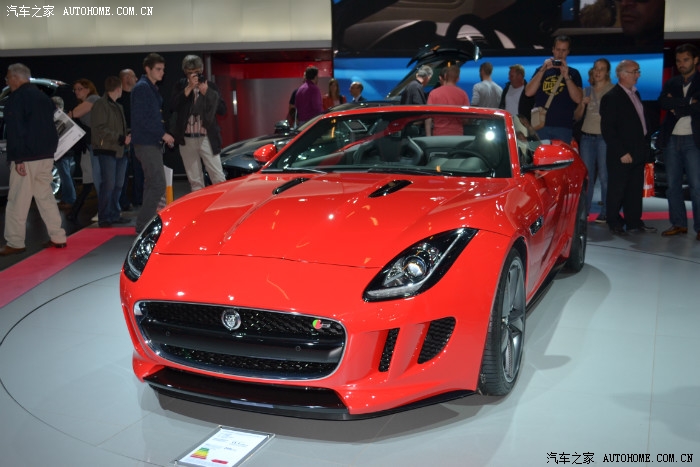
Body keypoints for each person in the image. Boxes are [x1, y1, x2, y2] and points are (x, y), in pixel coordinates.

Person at [1, 63, 67, 256]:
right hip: (46, 155)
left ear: (15, 78)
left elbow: (16, 131)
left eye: (8, 78)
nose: (7, 81)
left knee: (17, 200)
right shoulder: (44, 98)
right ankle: (58, 236)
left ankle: (15, 242)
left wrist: (18, 159)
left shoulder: (16, 99)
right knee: (45, 197)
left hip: (26, 156)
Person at [600, 60, 657, 235]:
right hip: (622, 153)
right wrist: (621, 152)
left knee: (634, 189)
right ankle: (614, 221)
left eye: (638, 71)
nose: (638, 75)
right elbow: (608, 129)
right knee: (617, 189)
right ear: (622, 75)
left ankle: (634, 222)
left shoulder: (635, 93)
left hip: (638, 150)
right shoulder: (611, 97)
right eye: (634, 72)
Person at [657, 43, 700, 240]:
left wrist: (676, 106)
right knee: (672, 185)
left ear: (696, 60)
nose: (681, 64)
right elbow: (663, 102)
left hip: (693, 139)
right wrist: (689, 102)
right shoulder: (672, 82)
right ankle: (679, 224)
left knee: (696, 186)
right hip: (672, 138)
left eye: (686, 60)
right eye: (678, 60)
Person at [131, 52, 175, 234]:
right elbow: (143, 119)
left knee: (152, 184)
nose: (162, 72)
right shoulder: (143, 88)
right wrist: (163, 134)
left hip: (149, 142)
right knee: (157, 184)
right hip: (146, 143)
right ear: (147, 69)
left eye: (163, 69)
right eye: (158, 69)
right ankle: (143, 225)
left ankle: (144, 224)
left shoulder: (147, 87)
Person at [170, 55, 227, 193]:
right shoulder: (181, 86)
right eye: (190, 73)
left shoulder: (210, 86)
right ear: (185, 73)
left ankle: (222, 204)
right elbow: (173, 106)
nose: (194, 76)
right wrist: (188, 88)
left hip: (207, 138)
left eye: (196, 72)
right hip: (187, 139)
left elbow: (222, 109)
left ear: (201, 71)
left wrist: (207, 93)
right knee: (195, 181)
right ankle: (199, 205)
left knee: (218, 178)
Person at [573, 58, 614, 223]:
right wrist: (582, 104)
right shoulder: (587, 90)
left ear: (607, 72)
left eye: (602, 69)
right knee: (587, 177)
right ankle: (585, 212)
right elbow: (577, 117)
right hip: (587, 138)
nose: (598, 72)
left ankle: (606, 212)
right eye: (596, 68)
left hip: (604, 138)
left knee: (604, 176)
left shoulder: (613, 90)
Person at [524, 35, 583, 142]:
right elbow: (528, 92)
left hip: (563, 127)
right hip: (541, 125)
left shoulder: (573, 73)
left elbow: (578, 99)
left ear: (568, 51)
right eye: (558, 50)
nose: (560, 54)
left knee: (560, 154)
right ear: (553, 50)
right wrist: (542, 70)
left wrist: (566, 76)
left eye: (563, 50)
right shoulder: (541, 70)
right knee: (541, 153)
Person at [91, 76, 131, 228]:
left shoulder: (117, 106)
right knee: (109, 184)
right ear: (118, 89)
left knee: (118, 184)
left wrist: (127, 135)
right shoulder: (100, 105)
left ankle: (114, 214)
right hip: (107, 150)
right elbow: (99, 129)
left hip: (120, 149)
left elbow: (115, 129)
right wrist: (121, 137)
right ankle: (104, 217)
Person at [66, 78, 100, 223]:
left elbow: (75, 114)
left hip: (96, 144)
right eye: (75, 89)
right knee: (90, 178)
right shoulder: (87, 101)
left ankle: (104, 210)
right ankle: (75, 211)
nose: (76, 92)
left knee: (98, 177)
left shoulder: (93, 99)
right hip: (89, 146)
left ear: (88, 89)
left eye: (79, 89)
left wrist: (69, 114)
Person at [118, 68, 143, 211]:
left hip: (138, 136)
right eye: (133, 76)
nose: (136, 79)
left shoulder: (138, 95)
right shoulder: (118, 97)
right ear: (126, 78)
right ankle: (123, 201)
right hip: (123, 138)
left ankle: (138, 198)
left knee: (139, 169)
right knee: (123, 171)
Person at [426, 65, 470, 136]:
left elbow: (428, 117)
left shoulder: (433, 93)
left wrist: (428, 136)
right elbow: (466, 120)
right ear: (458, 79)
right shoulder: (463, 94)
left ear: (445, 76)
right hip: (457, 135)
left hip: (438, 134)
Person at [51, 96, 77, 211]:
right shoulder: (68, 117)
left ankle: (70, 199)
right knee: (67, 176)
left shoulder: (59, 119)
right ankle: (67, 198)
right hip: (68, 152)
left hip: (63, 152)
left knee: (65, 177)